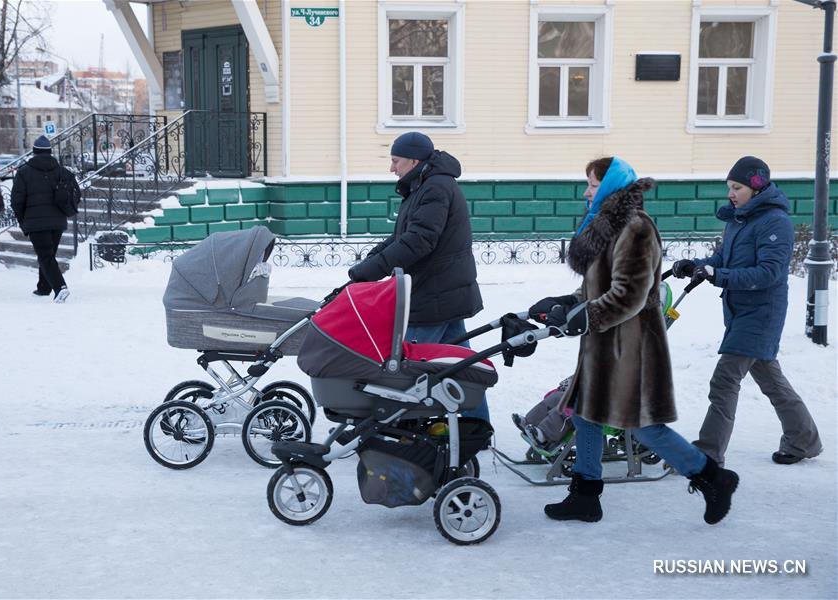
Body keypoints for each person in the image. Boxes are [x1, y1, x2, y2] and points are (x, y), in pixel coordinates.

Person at [533, 156, 739, 525]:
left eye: (593, 185)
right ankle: (585, 495)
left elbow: (630, 294)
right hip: (602, 344)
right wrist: (567, 303)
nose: (587, 191)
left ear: (611, 186)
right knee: (585, 415)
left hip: (629, 345)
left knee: (643, 426)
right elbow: (597, 287)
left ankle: (712, 477)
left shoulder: (636, 228)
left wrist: (587, 316)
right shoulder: (606, 227)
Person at [672, 156, 822, 466]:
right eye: (729, 186)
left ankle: (707, 455)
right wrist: (697, 267)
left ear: (756, 187)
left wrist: (720, 276)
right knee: (770, 379)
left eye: (737, 187)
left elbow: (769, 273)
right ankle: (803, 440)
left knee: (725, 380)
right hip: (740, 311)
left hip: (761, 313)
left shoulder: (775, 222)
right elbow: (721, 259)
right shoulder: (738, 219)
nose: (731, 193)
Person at [347, 132, 486, 421]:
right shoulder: (426, 184)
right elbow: (406, 235)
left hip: (433, 294)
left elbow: (419, 241)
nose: (392, 168)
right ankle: (476, 424)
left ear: (414, 160)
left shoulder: (435, 187)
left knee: (408, 366)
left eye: (396, 161)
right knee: (462, 366)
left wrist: (372, 271)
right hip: (443, 292)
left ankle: (401, 425)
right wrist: (374, 257)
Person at [11, 135, 73, 303]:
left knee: (45, 256)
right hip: (58, 221)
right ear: (50, 152)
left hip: (36, 222)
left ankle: (60, 288)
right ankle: (43, 287)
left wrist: (23, 219)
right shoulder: (61, 170)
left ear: (35, 152)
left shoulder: (24, 172)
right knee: (48, 254)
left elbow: (17, 200)